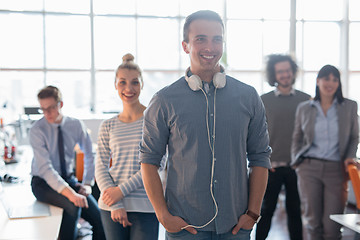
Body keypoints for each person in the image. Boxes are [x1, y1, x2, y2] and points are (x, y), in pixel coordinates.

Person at [140, 10, 272, 240]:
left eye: (217, 39)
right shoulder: (164, 100)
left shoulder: (248, 97)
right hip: (184, 226)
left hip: (236, 225)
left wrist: (253, 213)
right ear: (185, 46)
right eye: (201, 39)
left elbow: (260, 157)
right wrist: (163, 216)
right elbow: (149, 161)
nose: (210, 47)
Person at [95, 53, 161, 240]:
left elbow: (156, 165)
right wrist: (115, 203)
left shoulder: (153, 121)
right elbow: (100, 167)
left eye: (135, 82)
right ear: (115, 85)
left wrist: (120, 192)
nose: (128, 88)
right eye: (122, 82)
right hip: (111, 206)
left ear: (142, 85)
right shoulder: (107, 125)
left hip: (146, 205)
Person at [291, 64, 359, 240]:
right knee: (313, 223)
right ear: (318, 81)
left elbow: (354, 136)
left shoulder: (350, 106)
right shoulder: (304, 108)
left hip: (336, 170)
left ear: (339, 83)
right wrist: (297, 163)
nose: (330, 83)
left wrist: (350, 156)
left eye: (335, 79)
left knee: (332, 226)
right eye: (326, 78)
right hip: (308, 169)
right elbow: (297, 138)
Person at [29, 85, 105, 240]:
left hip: (68, 180)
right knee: (72, 206)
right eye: (43, 109)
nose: (47, 113)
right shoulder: (37, 130)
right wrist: (71, 194)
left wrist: (87, 184)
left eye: (50, 108)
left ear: (60, 104)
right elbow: (45, 169)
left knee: (100, 220)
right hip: (42, 183)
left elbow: (89, 154)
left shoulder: (75, 125)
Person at [256, 54, 310, 240]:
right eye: (280, 72)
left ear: (292, 72)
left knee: (295, 212)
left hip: (297, 167)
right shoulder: (263, 100)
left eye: (287, 70)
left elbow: (311, 135)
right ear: (274, 74)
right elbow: (256, 135)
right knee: (266, 210)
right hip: (271, 167)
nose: (285, 75)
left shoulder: (306, 100)